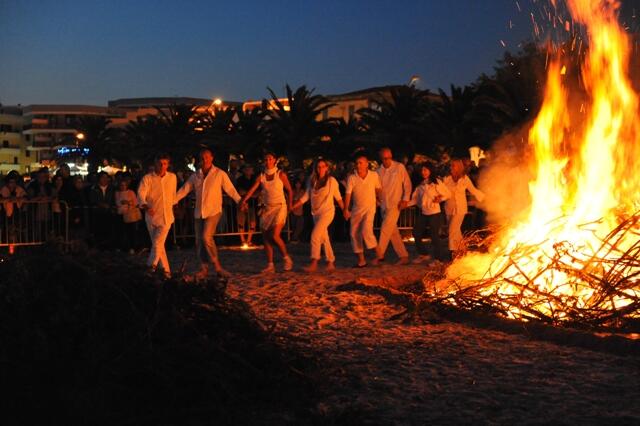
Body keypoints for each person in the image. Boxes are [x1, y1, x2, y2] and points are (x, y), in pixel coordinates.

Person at [176, 148, 242, 278]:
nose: (204, 159)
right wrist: (172, 200)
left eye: (207, 157)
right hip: (199, 212)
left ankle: (218, 267)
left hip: (213, 211)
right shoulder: (196, 175)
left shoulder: (219, 173)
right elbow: (185, 189)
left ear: (212, 158)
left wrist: (239, 201)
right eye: (202, 157)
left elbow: (230, 189)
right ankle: (204, 268)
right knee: (199, 241)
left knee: (207, 237)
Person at [240, 152, 294, 273]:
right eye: (266, 159)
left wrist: (290, 205)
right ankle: (270, 265)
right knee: (266, 238)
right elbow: (252, 189)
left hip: (280, 206)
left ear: (275, 160)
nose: (268, 161)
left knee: (275, 235)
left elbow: (290, 190)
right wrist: (244, 200)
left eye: (270, 159)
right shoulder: (261, 176)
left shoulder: (281, 174)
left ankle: (287, 258)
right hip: (267, 208)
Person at [291, 158, 345, 272]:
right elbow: (306, 196)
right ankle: (331, 262)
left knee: (315, 235)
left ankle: (314, 262)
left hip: (327, 212)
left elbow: (338, 197)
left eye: (323, 166)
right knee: (324, 238)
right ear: (316, 168)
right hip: (316, 213)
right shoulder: (312, 180)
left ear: (327, 168)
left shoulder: (332, 181)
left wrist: (345, 210)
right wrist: (294, 206)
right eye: (318, 167)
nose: (321, 169)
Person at [137, 154, 177, 277]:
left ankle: (149, 269)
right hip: (152, 217)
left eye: (165, 163)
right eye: (160, 163)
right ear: (155, 164)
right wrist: (145, 205)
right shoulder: (147, 178)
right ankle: (167, 273)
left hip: (166, 217)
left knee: (157, 244)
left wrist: (175, 204)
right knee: (159, 246)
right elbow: (141, 193)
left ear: (168, 164)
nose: (162, 166)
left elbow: (173, 195)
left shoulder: (172, 177)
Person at [343, 152, 381, 267]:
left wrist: (379, 199)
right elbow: (348, 194)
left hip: (370, 208)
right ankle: (361, 260)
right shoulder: (352, 177)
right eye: (357, 163)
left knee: (366, 231)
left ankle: (379, 254)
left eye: (361, 163)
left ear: (366, 164)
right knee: (354, 233)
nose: (358, 165)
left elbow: (378, 189)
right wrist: (346, 209)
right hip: (356, 209)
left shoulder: (374, 175)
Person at [375, 147, 412, 265]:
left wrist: (405, 199)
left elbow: (407, 183)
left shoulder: (399, 167)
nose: (388, 160)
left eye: (389, 157)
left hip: (396, 204)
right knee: (393, 232)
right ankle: (404, 256)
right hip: (384, 205)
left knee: (385, 229)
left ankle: (379, 255)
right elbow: (377, 188)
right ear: (381, 159)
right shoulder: (378, 171)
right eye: (385, 158)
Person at [409, 163, 451, 263]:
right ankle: (423, 254)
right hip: (424, 213)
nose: (423, 172)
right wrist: (405, 204)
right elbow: (415, 200)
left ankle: (439, 259)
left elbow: (448, 194)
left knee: (434, 236)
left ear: (430, 170)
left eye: (425, 170)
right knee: (416, 233)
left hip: (435, 213)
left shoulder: (436, 182)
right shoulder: (420, 185)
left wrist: (440, 198)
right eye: (422, 170)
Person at [444, 159, 485, 256]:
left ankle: (453, 253)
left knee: (451, 230)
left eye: (453, 165)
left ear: (459, 167)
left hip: (460, 209)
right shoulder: (447, 178)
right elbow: (442, 191)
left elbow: (473, 190)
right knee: (456, 231)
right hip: (449, 208)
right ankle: (462, 250)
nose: (451, 167)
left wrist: (484, 197)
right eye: (450, 165)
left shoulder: (465, 179)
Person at [89, 171, 116, 249]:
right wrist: (101, 204)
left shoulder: (112, 188)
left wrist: (111, 207)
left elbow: (114, 199)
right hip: (98, 213)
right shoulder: (94, 188)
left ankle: (108, 246)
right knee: (99, 230)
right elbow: (92, 200)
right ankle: (99, 246)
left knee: (109, 230)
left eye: (106, 177)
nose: (104, 179)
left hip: (109, 213)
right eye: (102, 177)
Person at [115, 179, 141, 254]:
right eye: (121, 185)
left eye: (124, 185)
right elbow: (117, 203)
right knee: (121, 232)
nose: (122, 187)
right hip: (121, 214)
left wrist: (128, 202)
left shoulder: (131, 192)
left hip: (130, 215)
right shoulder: (117, 193)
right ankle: (123, 247)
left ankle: (132, 247)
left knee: (131, 232)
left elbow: (135, 203)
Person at [235, 164, 257, 247]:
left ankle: (249, 240)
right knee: (241, 222)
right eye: (247, 169)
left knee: (252, 222)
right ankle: (242, 240)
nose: (249, 170)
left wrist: (248, 194)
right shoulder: (240, 180)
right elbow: (240, 191)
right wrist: (251, 193)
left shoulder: (254, 180)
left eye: (250, 168)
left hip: (251, 204)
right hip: (241, 203)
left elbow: (257, 192)